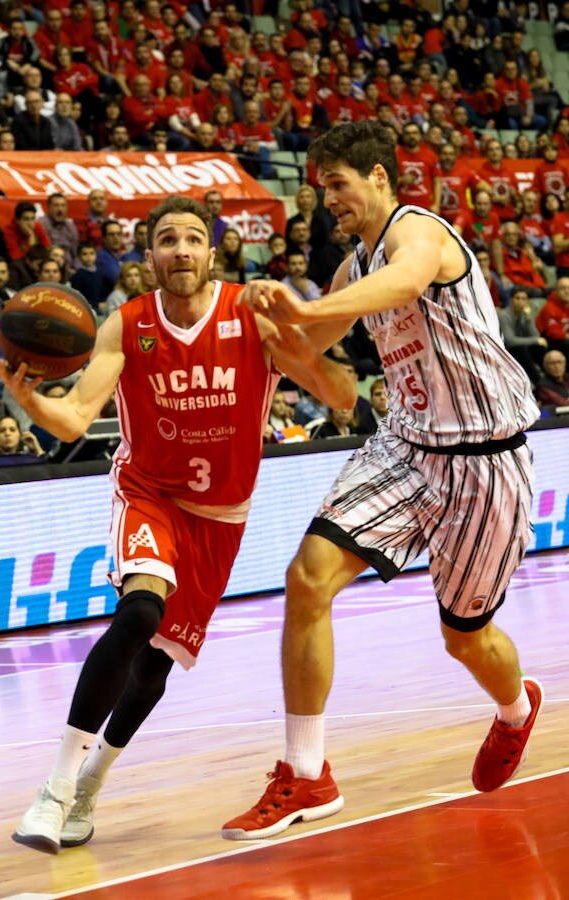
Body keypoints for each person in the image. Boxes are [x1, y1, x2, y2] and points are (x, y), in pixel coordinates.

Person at [0, 194, 355, 854]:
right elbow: (74, 421)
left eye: (192, 238)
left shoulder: (251, 313)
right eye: (166, 240)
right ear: (148, 255)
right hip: (149, 494)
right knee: (137, 616)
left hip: (221, 518)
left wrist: (305, 332)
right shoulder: (124, 324)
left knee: (153, 669)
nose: (180, 249)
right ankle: (55, 791)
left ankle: (93, 784)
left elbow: (341, 397)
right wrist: (29, 400)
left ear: (212, 252)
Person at [223, 120, 543, 841]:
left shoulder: (417, 231)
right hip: (404, 446)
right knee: (307, 579)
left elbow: (406, 279)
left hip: (487, 459)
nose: (325, 200)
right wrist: (276, 337)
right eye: (317, 188)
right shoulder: (352, 264)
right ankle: (307, 774)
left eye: (336, 184)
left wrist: (307, 310)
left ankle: (516, 709)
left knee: (466, 638)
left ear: (378, 178)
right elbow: (317, 363)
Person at [498, 287, 548, 386]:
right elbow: (510, 341)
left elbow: (535, 335)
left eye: (524, 299)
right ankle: (539, 383)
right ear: (511, 300)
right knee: (522, 349)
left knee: (539, 347)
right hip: (505, 348)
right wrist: (536, 340)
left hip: (521, 345)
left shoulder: (524, 315)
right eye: (517, 298)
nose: (521, 302)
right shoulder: (503, 315)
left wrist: (529, 318)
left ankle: (549, 378)